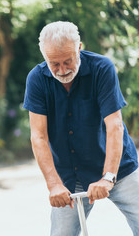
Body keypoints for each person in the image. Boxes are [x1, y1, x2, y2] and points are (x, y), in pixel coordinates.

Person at [23, 21, 139, 235]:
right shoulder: (37, 79)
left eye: (68, 61)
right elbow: (38, 136)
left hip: (118, 169)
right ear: (45, 57)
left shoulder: (101, 68)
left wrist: (107, 177)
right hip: (71, 175)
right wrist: (54, 185)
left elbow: (114, 125)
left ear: (79, 48)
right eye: (54, 64)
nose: (62, 70)